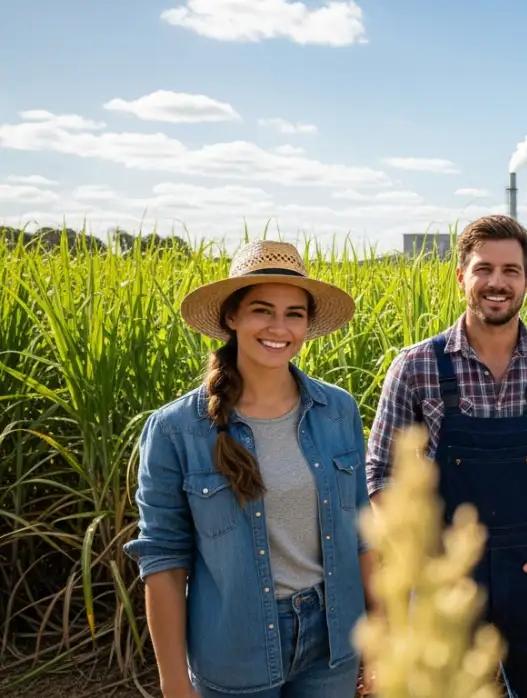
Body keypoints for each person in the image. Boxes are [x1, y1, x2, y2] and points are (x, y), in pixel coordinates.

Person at [364, 214, 527, 698]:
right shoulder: (416, 367)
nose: (497, 282)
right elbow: (381, 474)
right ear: (461, 277)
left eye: (510, 271)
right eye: (483, 269)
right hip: (443, 579)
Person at [123, 241, 375, 698]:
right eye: (263, 310)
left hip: (334, 637)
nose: (280, 327)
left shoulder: (338, 410)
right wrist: (175, 682)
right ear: (231, 318)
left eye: (294, 314)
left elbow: (362, 534)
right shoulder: (177, 430)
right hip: (234, 643)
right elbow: (163, 559)